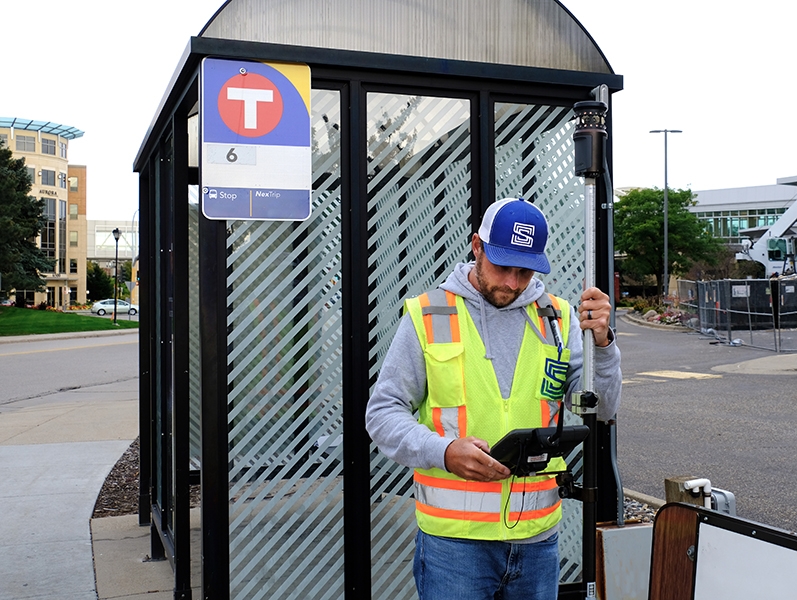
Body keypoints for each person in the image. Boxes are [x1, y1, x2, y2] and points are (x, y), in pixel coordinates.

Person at [365, 198, 622, 600]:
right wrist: (444, 451)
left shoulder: (558, 317)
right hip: (455, 547)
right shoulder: (430, 314)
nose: (513, 283)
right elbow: (382, 414)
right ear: (477, 247)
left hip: (538, 540)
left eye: (525, 271)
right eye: (503, 267)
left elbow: (600, 408)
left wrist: (603, 345)